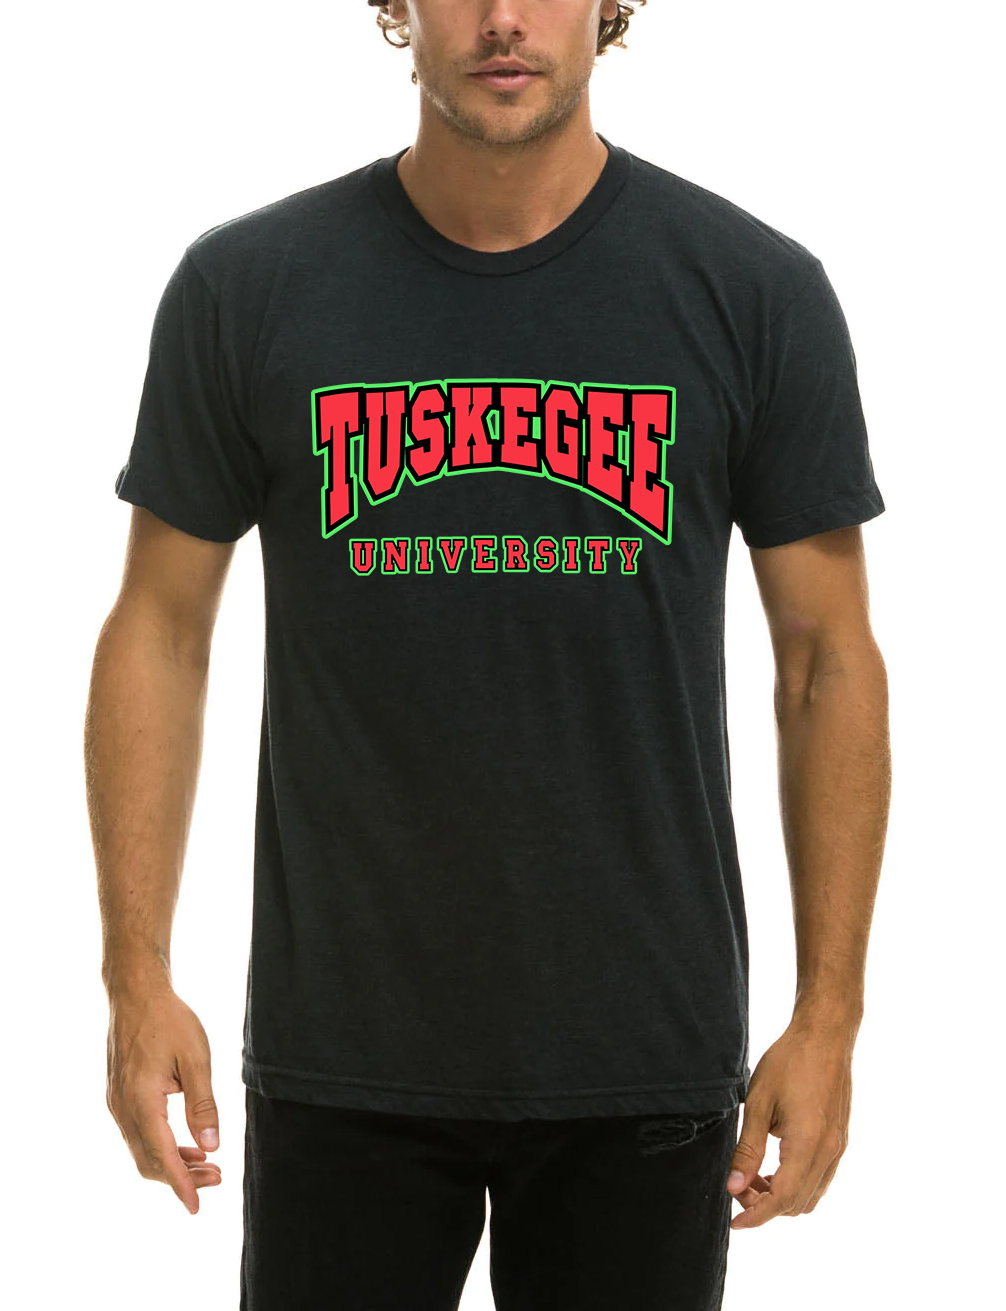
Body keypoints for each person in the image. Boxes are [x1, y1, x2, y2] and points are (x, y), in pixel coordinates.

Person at [86, 1, 891, 1306]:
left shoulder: (752, 289)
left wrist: (831, 1015)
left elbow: (825, 660)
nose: (505, 18)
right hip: (343, 1048)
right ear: (396, 5)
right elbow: (160, 631)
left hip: (645, 1051)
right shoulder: (252, 285)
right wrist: (136, 978)